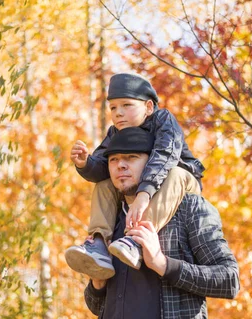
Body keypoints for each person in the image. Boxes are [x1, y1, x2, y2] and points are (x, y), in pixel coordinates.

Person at [83, 127, 240, 319]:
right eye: (113, 159)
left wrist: (162, 264)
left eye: (131, 157)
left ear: (151, 165)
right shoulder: (109, 218)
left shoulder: (189, 208)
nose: (121, 165)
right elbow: (96, 306)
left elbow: (229, 280)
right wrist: (97, 283)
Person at [65, 73, 205, 279]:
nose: (118, 113)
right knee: (105, 184)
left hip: (182, 183)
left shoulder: (163, 120)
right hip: (147, 188)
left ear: (148, 107)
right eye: (113, 108)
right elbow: (104, 167)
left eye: (126, 105)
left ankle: (136, 240)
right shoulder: (115, 133)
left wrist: (143, 194)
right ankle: (98, 244)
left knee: (176, 172)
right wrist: (86, 164)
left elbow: (165, 155)